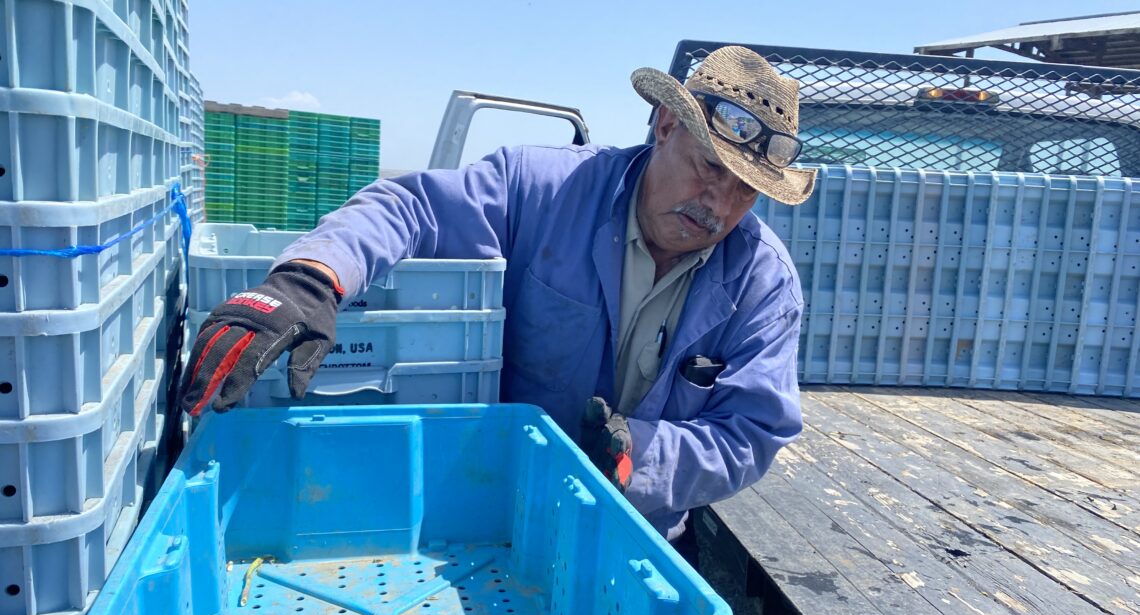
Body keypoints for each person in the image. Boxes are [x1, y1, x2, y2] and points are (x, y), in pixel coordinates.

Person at [179, 46, 817, 561]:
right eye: (710, 167)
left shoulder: (764, 282)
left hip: (641, 538)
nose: (719, 205)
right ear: (666, 123)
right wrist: (312, 278)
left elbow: (752, 432)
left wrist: (639, 453)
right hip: (492, 513)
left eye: (745, 191)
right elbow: (413, 206)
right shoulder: (542, 188)